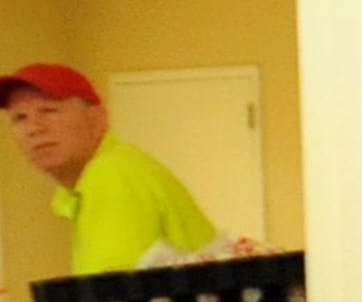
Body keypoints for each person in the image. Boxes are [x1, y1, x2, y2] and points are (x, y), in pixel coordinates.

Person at [2, 64, 216, 275]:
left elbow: (113, 299)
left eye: (50, 111)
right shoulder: (108, 169)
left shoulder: (111, 174)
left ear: (98, 118)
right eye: (20, 118)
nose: (34, 128)